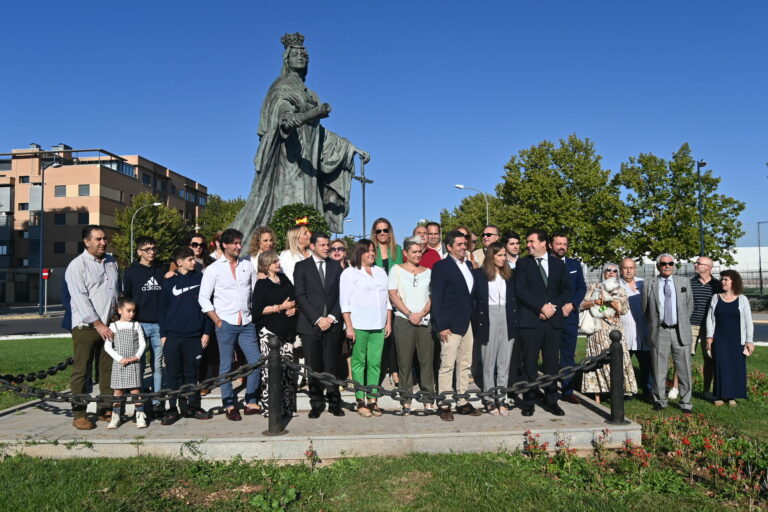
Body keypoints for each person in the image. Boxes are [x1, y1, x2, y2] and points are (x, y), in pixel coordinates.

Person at [230, 32, 370, 241]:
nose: (301, 57)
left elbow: (318, 133)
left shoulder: (310, 94)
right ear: (287, 58)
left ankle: (308, 248)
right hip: (290, 161)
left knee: (310, 207)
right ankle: (283, 245)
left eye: (304, 54)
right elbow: (282, 115)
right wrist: (297, 116)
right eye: (296, 54)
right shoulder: (281, 87)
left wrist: (349, 147)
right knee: (289, 204)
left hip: (309, 164)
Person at [198, 228, 262, 421]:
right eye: (234, 243)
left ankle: (251, 400)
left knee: (256, 361)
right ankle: (229, 404)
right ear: (223, 245)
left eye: (239, 243)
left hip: (246, 322)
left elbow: (254, 291)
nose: (238, 246)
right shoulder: (213, 269)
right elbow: (203, 298)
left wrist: (252, 313)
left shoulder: (247, 266)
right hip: (225, 322)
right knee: (225, 365)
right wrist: (217, 320)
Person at [65, 225, 120, 430]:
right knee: (82, 369)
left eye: (104, 238)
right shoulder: (77, 266)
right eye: (98, 239)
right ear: (86, 242)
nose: (103, 242)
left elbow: (115, 291)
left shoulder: (112, 262)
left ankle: (105, 407)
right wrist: (97, 324)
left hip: (109, 325)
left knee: (107, 369)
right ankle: (79, 413)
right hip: (87, 326)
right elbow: (80, 299)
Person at [514, 229, 572, 417]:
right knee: (529, 362)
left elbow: (566, 290)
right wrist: (540, 307)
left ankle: (551, 399)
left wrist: (552, 307)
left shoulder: (557, 264)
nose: (528, 245)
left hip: (552, 322)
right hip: (531, 321)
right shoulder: (523, 264)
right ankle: (529, 400)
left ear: (543, 243)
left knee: (551, 363)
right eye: (527, 242)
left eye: (531, 241)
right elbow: (520, 290)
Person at [159, 247, 214, 425]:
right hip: (173, 336)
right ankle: (172, 409)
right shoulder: (169, 282)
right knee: (173, 375)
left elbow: (207, 307)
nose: (194, 262)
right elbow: (163, 309)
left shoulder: (201, 279)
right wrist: (163, 334)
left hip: (194, 336)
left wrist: (206, 331)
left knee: (192, 374)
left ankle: (193, 407)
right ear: (180, 262)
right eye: (190, 259)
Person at [431, 230, 481, 421]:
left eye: (464, 244)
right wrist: (442, 325)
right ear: (449, 247)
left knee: (465, 364)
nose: (463, 247)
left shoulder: (468, 265)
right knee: (447, 364)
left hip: (467, 323)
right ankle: (445, 403)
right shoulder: (441, 267)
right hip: (449, 325)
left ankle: (462, 401)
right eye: (459, 244)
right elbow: (437, 297)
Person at [294, 231, 345, 418]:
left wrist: (331, 317)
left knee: (331, 365)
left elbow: (342, 295)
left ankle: (334, 402)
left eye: (328, 244)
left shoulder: (336, 267)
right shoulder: (302, 267)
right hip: (310, 326)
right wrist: (318, 319)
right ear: (313, 246)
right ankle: (316, 403)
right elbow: (300, 295)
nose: (327, 248)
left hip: (332, 325)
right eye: (323, 245)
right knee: (313, 366)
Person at [342, 239, 393, 417]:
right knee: (358, 363)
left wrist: (388, 323)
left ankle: (373, 399)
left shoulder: (380, 272)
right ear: (360, 253)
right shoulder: (350, 273)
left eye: (373, 250)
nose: (372, 253)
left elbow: (387, 301)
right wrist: (349, 326)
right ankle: (360, 400)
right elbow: (345, 303)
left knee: (375, 363)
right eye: (368, 251)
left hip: (378, 325)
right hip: (359, 325)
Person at [471, 242, 519, 416]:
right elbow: (474, 301)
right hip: (488, 317)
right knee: (488, 361)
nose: (503, 258)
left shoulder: (510, 275)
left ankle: (502, 398)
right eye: (499, 255)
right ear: (491, 256)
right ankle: (490, 399)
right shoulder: (479, 275)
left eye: (504, 255)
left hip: (507, 317)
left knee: (504, 362)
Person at [642, 253, 694, 413]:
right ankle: (660, 400)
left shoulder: (683, 282)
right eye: (664, 263)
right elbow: (645, 310)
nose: (667, 266)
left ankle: (686, 402)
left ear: (674, 265)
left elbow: (689, 306)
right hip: (660, 331)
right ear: (658, 266)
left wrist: (682, 322)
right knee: (659, 368)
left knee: (684, 368)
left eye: (670, 263)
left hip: (680, 331)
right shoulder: (649, 283)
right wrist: (655, 325)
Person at [388, 236, 434, 415]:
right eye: (414, 252)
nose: (418, 255)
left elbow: (432, 297)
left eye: (420, 251)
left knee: (426, 362)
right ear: (405, 253)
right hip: (403, 320)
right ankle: (405, 402)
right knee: (405, 363)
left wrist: (421, 314)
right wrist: (409, 314)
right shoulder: (396, 270)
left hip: (424, 321)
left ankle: (428, 401)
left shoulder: (429, 271)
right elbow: (393, 294)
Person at [122, 235, 167, 419]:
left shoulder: (162, 268)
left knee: (157, 365)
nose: (152, 252)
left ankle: (157, 402)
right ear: (139, 251)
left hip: (159, 324)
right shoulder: (131, 271)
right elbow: (127, 297)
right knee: (139, 365)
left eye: (154, 248)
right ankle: (140, 401)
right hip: (139, 324)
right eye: (147, 249)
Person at [579, 263, 637, 402]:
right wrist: (595, 301)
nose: (611, 273)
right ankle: (597, 395)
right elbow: (582, 304)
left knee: (615, 363)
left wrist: (610, 300)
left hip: (613, 332)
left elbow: (623, 309)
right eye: (608, 270)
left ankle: (615, 394)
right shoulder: (594, 287)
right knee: (596, 363)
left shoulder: (620, 289)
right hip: (597, 331)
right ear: (603, 272)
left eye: (614, 271)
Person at [252, 250, 298, 417]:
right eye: (275, 262)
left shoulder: (284, 279)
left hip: (286, 332)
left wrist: (294, 308)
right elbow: (257, 310)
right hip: (269, 332)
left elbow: (294, 299)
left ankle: (286, 407)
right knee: (270, 372)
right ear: (266, 265)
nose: (278, 264)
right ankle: (270, 408)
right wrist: (280, 307)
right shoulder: (262, 284)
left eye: (278, 261)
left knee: (286, 371)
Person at [705, 270, 754, 407]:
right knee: (721, 366)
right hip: (719, 338)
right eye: (722, 279)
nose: (723, 282)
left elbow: (748, 321)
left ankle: (731, 396)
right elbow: (710, 318)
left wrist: (749, 340)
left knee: (735, 367)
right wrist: (710, 337)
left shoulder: (742, 299)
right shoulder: (716, 297)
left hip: (737, 339)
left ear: (734, 282)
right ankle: (719, 395)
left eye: (726, 279)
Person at [549, 233, 587, 405]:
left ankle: (567, 390)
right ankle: (549, 390)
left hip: (570, 317)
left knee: (567, 355)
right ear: (551, 245)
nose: (562, 247)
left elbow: (581, 287)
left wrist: (572, 304)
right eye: (558, 244)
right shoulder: (544, 264)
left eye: (564, 244)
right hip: (550, 317)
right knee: (550, 356)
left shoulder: (574, 264)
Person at [104, 298, 147, 429]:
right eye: (129, 311)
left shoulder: (136, 325)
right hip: (119, 363)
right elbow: (108, 346)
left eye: (134, 311)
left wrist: (137, 356)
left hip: (134, 363)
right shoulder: (113, 326)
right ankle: (115, 416)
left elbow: (143, 343)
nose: (132, 314)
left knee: (136, 391)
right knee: (118, 391)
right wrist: (119, 359)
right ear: (120, 310)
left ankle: (140, 415)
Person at [371, 217, 402, 388]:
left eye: (385, 230)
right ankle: (379, 372)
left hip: (394, 301)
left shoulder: (397, 250)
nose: (382, 234)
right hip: (375, 301)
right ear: (374, 234)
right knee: (378, 340)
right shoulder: (370, 250)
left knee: (392, 339)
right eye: (379, 231)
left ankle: (395, 372)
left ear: (390, 232)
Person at [619, 257, 653, 399]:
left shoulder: (643, 284)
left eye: (631, 268)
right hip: (624, 333)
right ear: (621, 270)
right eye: (625, 268)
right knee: (623, 365)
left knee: (647, 365)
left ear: (635, 269)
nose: (628, 270)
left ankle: (648, 390)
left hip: (643, 332)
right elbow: (603, 306)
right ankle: (626, 391)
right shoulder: (615, 285)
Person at [689, 256, 722, 399]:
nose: (695, 265)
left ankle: (707, 389)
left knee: (709, 358)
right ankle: (677, 388)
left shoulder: (717, 285)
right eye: (696, 263)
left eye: (699, 263)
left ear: (708, 267)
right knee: (683, 357)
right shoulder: (690, 283)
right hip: (691, 324)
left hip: (710, 328)